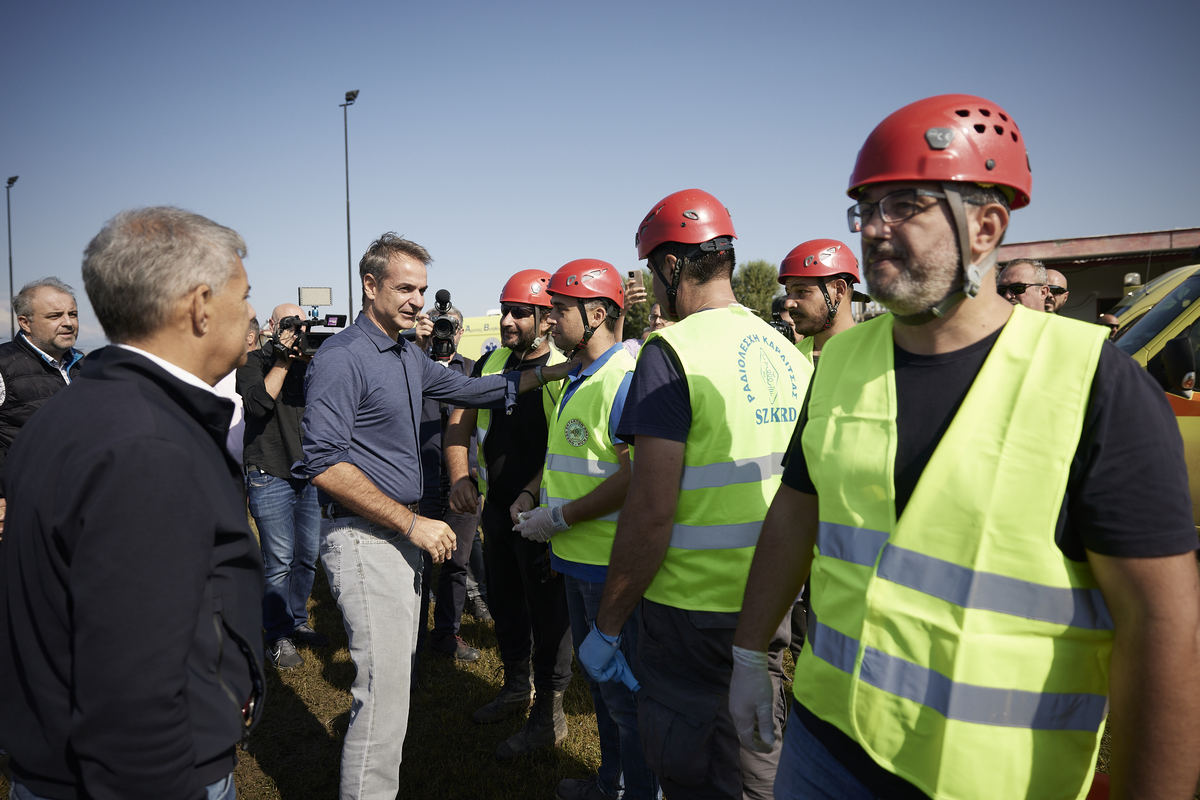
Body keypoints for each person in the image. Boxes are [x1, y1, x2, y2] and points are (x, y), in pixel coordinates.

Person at [732, 94, 1200, 800]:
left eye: (907, 205)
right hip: (825, 744)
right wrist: (746, 650)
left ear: (986, 226)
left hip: (990, 782)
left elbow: (1163, 628)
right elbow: (796, 515)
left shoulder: (1097, 386)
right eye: (867, 209)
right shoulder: (842, 363)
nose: (877, 231)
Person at [0, 207, 264, 800]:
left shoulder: (76, 411)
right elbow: (132, 691)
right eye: (244, 295)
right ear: (200, 305)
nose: (250, 313)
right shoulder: (148, 445)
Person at [297, 235, 574, 799]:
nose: (418, 301)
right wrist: (412, 522)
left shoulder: (406, 354)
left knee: (394, 685)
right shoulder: (341, 358)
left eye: (422, 289)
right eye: (405, 288)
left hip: (395, 537)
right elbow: (324, 464)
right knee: (382, 691)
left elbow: (474, 389)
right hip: (364, 536)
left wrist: (553, 373)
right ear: (369, 286)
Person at [582, 189, 812, 800]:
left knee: (697, 767)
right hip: (772, 598)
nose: (653, 292)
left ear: (672, 266)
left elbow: (651, 510)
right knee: (757, 746)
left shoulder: (671, 353)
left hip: (692, 612)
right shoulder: (787, 353)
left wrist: (608, 625)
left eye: (652, 273)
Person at [509, 260, 658, 800]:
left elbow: (636, 473)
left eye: (560, 311)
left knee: (624, 697)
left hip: (607, 565)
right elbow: (572, 458)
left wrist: (561, 518)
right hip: (576, 558)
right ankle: (610, 783)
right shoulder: (581, 375)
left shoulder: (622, 379)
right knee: (604, 691)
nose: (549, 322)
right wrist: (534, 495)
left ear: (597, 314)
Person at [445, 269, 574, 759]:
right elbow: (460, 421)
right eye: (505, 310)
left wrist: (530, 493)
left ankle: (550, 713)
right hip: (496, 512)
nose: (506, 321)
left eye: (519, 312)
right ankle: (517, 687)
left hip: (543, 517)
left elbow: (566, 445)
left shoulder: (564, 368)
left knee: (549, 614)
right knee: (505, 605)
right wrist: (461, 477)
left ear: (545, 318)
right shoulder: (492, 362)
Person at [237, 302, 327, 671]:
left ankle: (296, 620)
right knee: (279, 561)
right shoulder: (252, 361)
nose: (297, 332)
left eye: (302, 326)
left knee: (307, 557)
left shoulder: (312, 363)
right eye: (289, 324)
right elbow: (257, 405)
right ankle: (277, 635)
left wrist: (305, 358)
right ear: (271, 327)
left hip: (306, 471)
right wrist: (284, 359)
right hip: (268, 470)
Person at [417, 303, 489, 662]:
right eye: (440, 325)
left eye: (452, 326)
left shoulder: (474, 370)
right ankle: (411, 640)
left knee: (458, 562)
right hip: (422, 480)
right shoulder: (412, 364)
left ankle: (446, 633)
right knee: (418, 564)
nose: (446, 332)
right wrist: (418, 348)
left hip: (464, 480)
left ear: (461, 332)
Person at [0, 277, 85, 535]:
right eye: (55, 316)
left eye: (73, 314)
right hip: (22, 515)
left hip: (79, 510)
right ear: (25, 322)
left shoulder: (87, 368)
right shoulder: (3, 366)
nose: (68, 322)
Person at [778, 239, 861, 364]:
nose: (788, 303)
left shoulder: (877, 353)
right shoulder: (789, 359)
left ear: (838, 290)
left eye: (801, 291)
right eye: (788, 293)